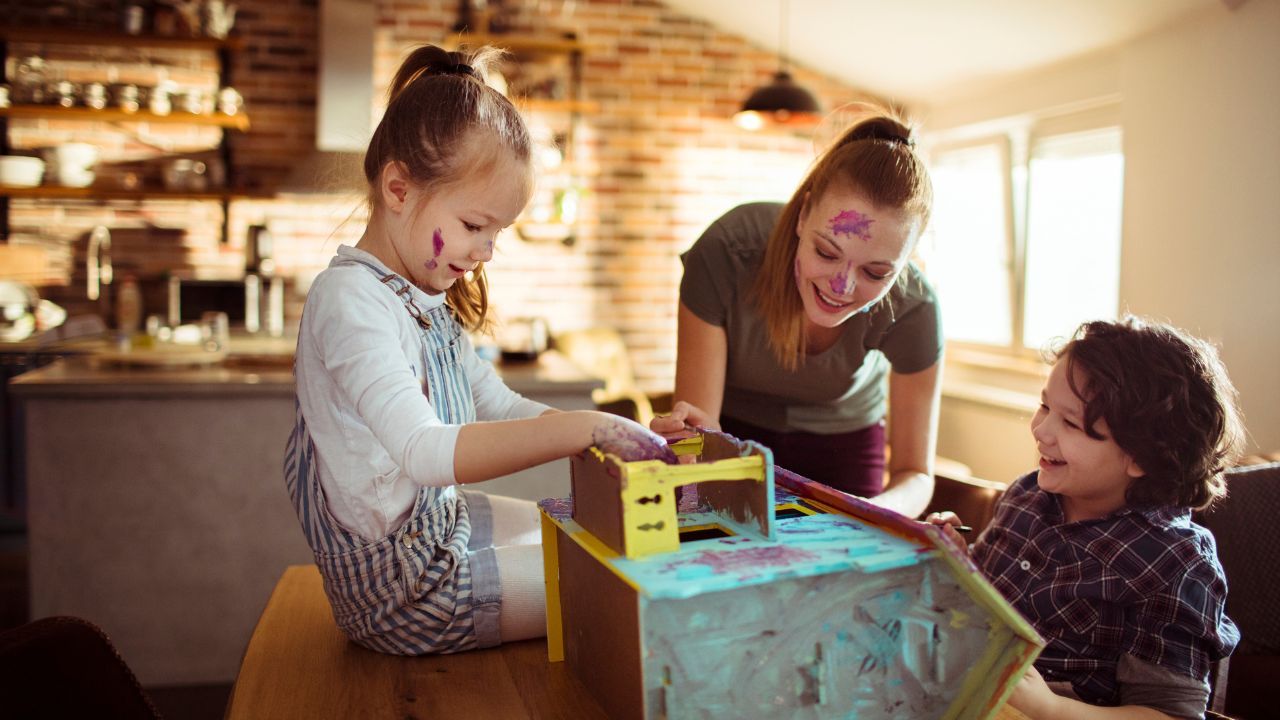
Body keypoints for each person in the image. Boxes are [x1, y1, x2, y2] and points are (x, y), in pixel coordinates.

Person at [284, 44, 673, 656]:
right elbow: (425, 453)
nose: (486, 251)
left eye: (498, 233)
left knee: (602, 527)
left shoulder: (420, 297)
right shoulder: (351, 301)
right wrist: (585, 431)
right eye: (474, 226)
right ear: (398, 188)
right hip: (407, 592)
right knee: (633, 580)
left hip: (439, 532)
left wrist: (611, 432)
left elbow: (493, 401)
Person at [927, 316, 1242, 719]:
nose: (1041, 430)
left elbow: (1169, 714)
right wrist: (957, 561)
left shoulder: (1177, 564)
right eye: (1044, 405)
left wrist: (1050, 708)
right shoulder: (1027, 494)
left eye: (1070, 423)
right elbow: (988, 598)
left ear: (1143, 456)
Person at [651, 112, 940, 518]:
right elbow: (702, 436)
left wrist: (875, 513)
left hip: (845, 442)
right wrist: (697, 449)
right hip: (734, 430)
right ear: (803, 216)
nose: (841, 288)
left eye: (876, 272)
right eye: (826, 252)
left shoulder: (916, 306)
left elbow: (915, 473)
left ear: (907, 261)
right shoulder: (728, 252)